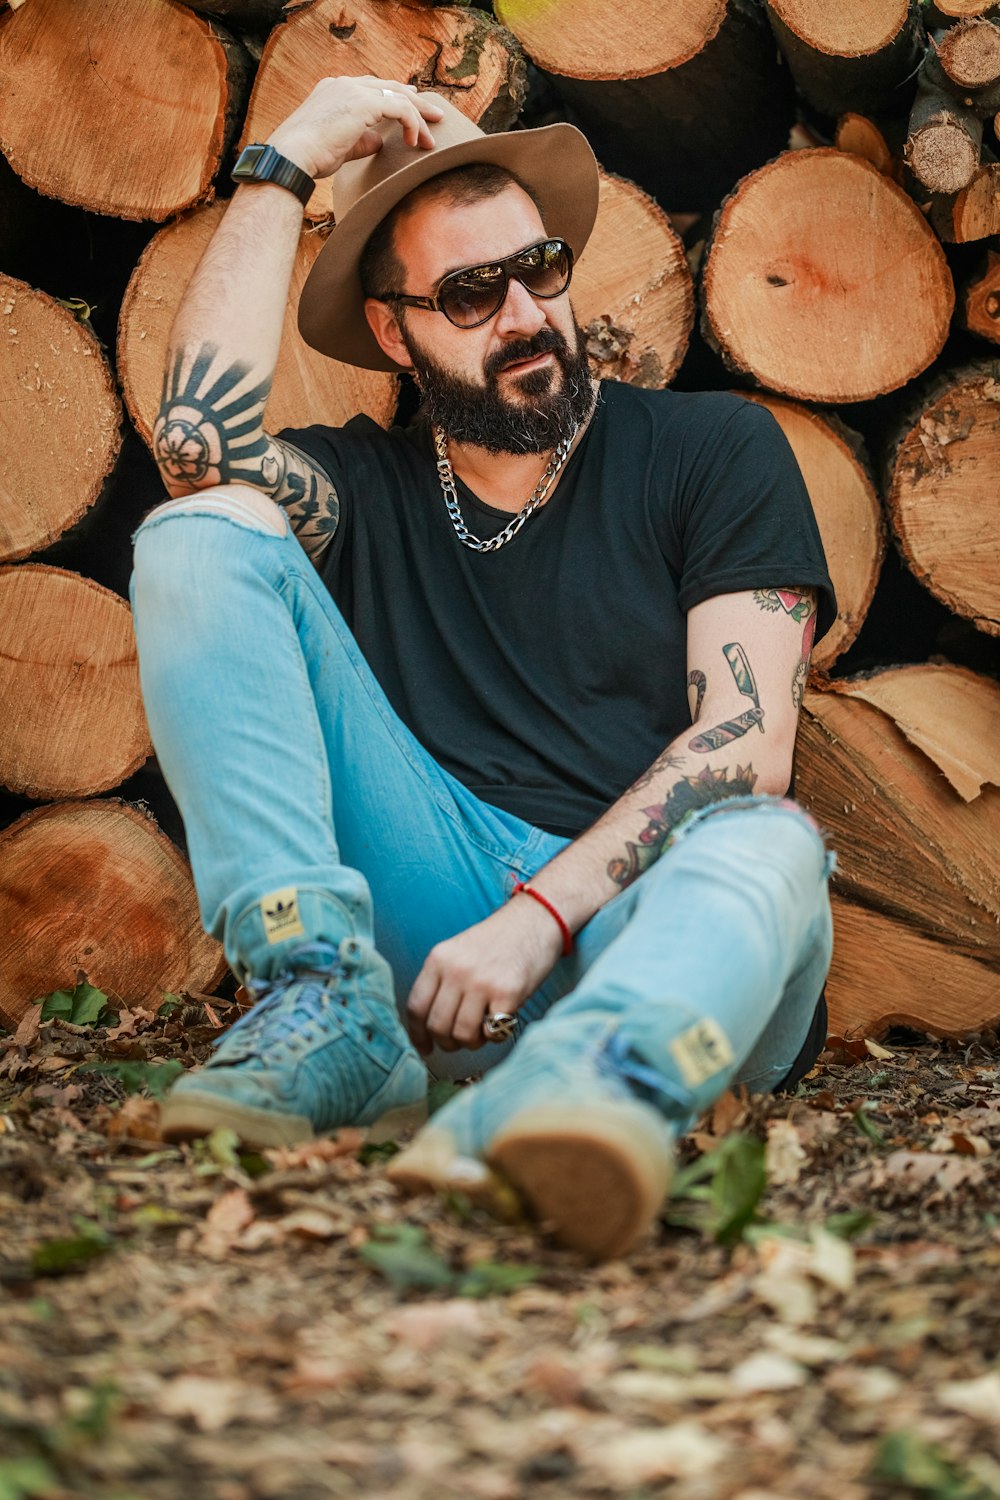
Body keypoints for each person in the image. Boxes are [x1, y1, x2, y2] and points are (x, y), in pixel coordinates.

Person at [131, 77, 837, 1260]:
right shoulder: (358, 491)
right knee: (197, 534)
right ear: (395, 333)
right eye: (469, 291)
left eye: (538, 269)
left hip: (660, 943)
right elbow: (198, 449)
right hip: (433, 949)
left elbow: (743, 746)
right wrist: (285, 161)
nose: (523, 313)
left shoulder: (712, 449)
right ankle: (323, 997)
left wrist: (540, 916)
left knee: (769, 837)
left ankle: (595, 1092)